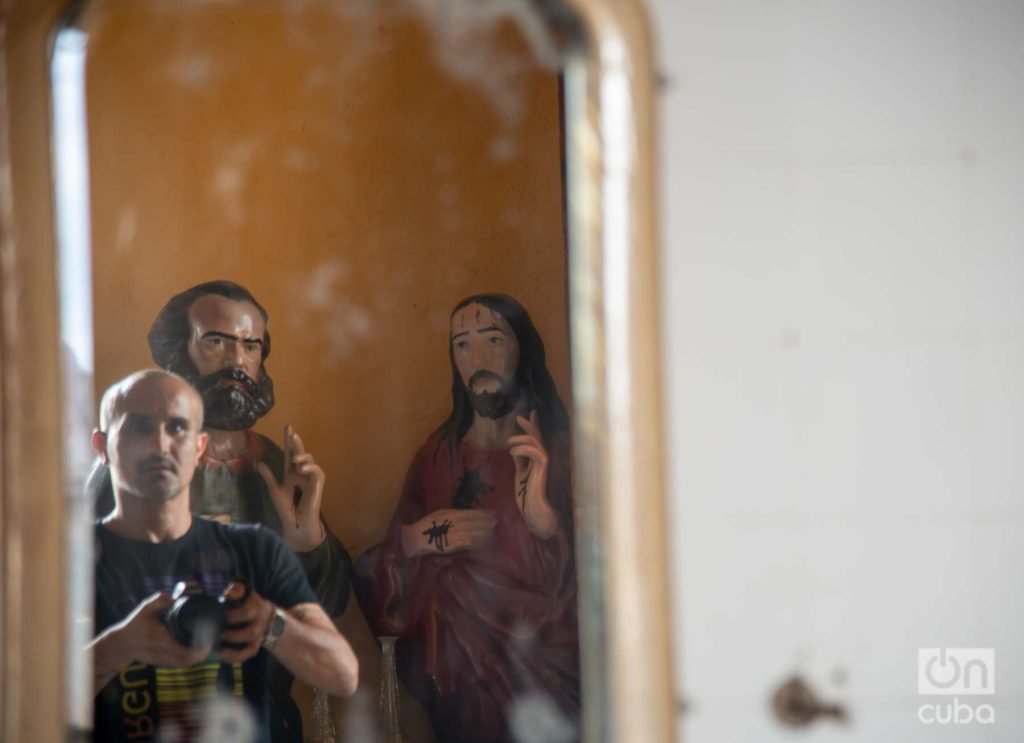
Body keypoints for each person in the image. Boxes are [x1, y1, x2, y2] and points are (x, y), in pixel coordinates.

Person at [87, 280, 351, 741]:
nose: (237, 361)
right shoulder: (121, 472)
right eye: (216, 342)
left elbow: (328, 636)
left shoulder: (274, 469)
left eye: (251, 346)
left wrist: (306, 545)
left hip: (254, 709)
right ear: (178, 352)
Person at [354, 293, 580, 743]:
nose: (476, 357)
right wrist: (420, 539)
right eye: (461, 344)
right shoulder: (437, 456)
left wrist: (540, 515)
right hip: (461, 679)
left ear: (523, 349)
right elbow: (381, 572)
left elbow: (598, 582)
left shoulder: (563, 451)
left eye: (493, 340)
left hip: (546, 675)